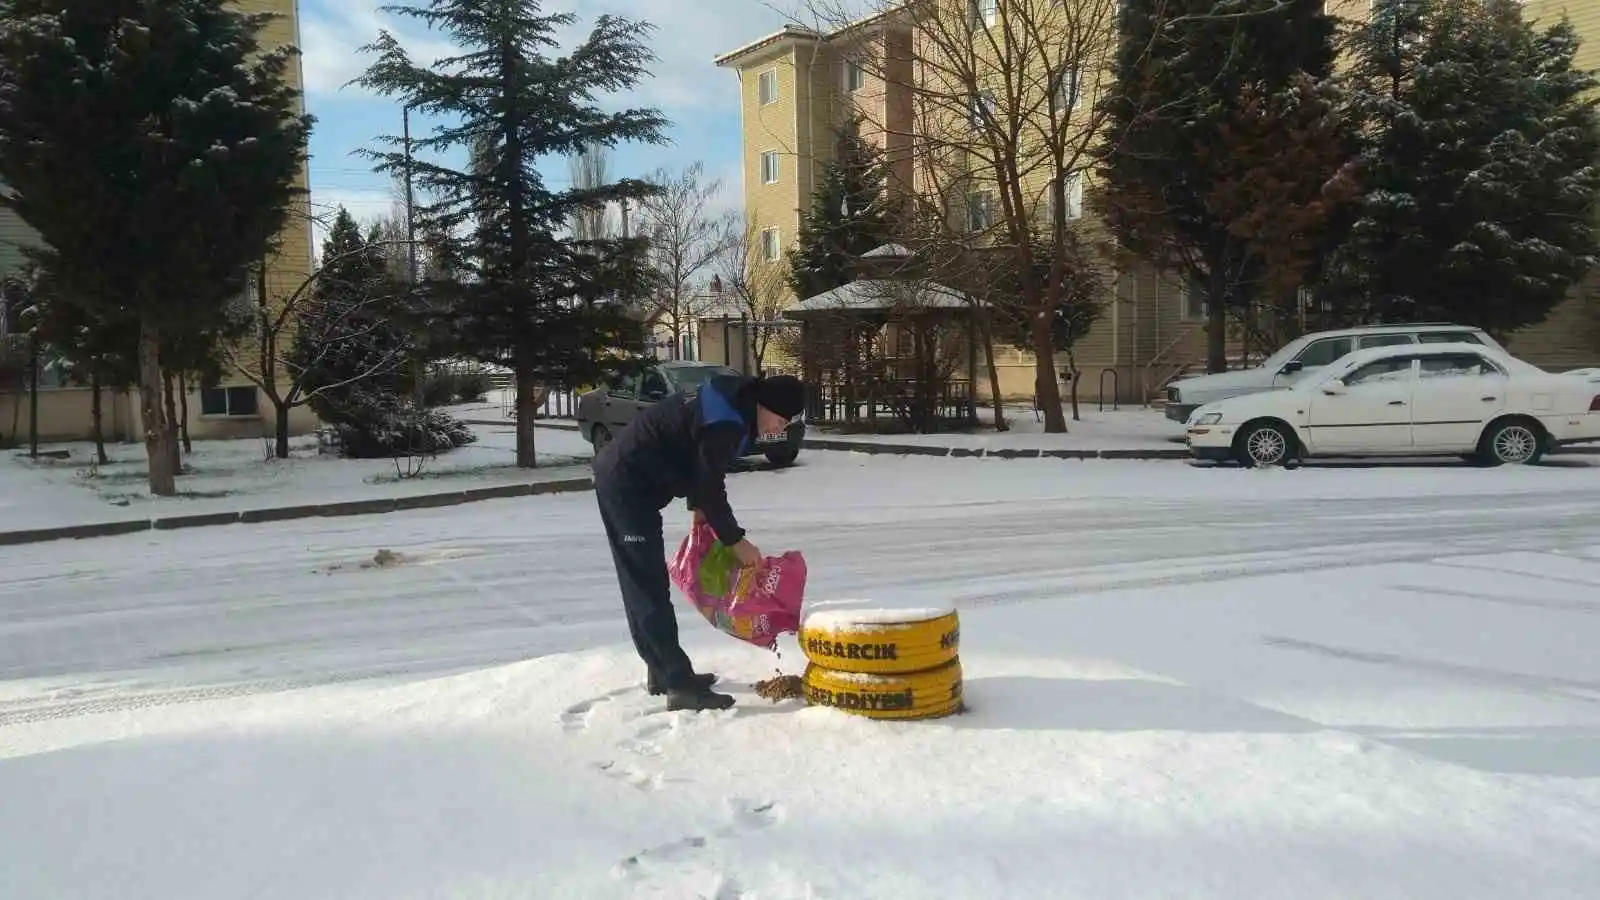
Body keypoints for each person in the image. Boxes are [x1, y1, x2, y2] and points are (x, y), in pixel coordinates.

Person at [591, 370, 807, 711]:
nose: (781, 429)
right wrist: (736, 541)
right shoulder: (728, 421)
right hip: (626, 484)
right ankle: (678, 684)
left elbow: (696, 455)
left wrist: (701, 513)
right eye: (781, 419)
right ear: (764, 405)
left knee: (647, 583)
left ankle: (663, 669)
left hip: (636, 481)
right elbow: (709, 485)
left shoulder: (735, 404)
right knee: (645, 585)